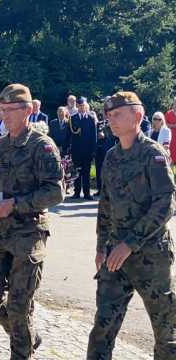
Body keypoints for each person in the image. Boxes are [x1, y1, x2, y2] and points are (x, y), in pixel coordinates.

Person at [0, 83, 64, 360]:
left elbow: (56, 191)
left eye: (9, 109)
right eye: (1, 109)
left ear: (27, 110)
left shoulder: (42, 146)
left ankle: (21, 352)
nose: (4, 115)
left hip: (29, 234)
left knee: (19, 304)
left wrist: (15, 204)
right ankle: (26, 334)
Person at [87, 91, 176, 360]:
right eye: (108, 115)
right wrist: (102, 247)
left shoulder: (153, 154)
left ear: (137, 116)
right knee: (102, 330)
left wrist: (130, 243)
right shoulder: (112, 156)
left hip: (151, 257)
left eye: (117, 115)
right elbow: (105, 207)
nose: (110, 120)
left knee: (166, 334)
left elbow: (166, 203)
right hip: (114, 258)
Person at [68, 96, 97, 200]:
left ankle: (86, 193)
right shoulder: (72, 118)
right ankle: (76, 192)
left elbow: (94, 137)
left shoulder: (90, 119)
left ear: (86, 106)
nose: (81, 107)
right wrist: (68, 149)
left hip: (87, 151)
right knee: (76, 173)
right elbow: (69, 135)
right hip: (76, 151)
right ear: (77, 106)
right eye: (79, 106)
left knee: (86, 172)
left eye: (83, 105)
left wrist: (93, 151)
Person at [94, 114, 117, 197]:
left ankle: (107, 191)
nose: (105, 116)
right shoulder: (99, 124)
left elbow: (115, 137)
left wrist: (105, 135)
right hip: (98, 150)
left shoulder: (114, 124)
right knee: (99, 170)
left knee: (108, 171)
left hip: (108, 150)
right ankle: (100, 189)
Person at [165, 97, 176, 163]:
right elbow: (164, 124)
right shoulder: (168, 113)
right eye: (175, 103)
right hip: (171, 138)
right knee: (171, 156)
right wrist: (174, 126)